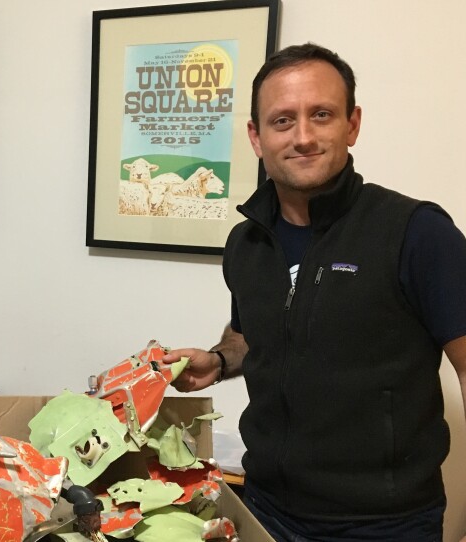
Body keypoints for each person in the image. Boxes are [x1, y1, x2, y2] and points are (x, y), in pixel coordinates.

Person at [164, 43, 466, 541]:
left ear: (352, 124)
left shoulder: (417, 233)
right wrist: (218, 361)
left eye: (320, 115)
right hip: (264, 508)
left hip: (384, 527)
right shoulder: (247, 240)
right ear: (256, 138)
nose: (303, 137)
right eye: (283, 121)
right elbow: (249, 332)